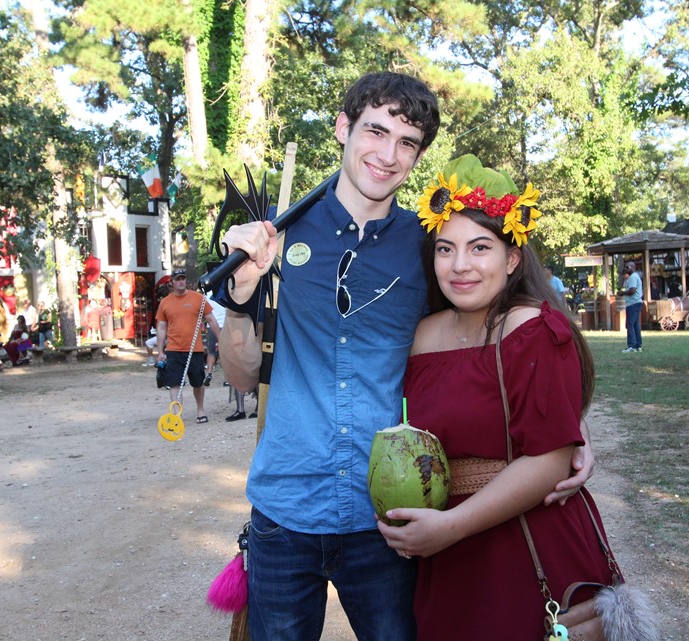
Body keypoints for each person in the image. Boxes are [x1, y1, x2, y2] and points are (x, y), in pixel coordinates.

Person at [216, 73, 594, 641]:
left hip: (390, 515)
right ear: (344, 128)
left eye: (407, 142)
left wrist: (568, 436)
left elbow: (488, 341)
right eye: (375, 131)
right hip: (285, 509)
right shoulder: (276, 237)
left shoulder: (429, 247)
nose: (388, 155)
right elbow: (243, 376)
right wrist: (242, 296)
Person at [377, 155, 623, 640]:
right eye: (445, 249)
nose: (460, 265)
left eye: (480, 247)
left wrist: (451, 527)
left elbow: (551, 459)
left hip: (526, 545)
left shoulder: (535, 329)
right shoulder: (422, 333)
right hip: (446, 557)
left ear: (512, 259)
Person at [155, 269, 221, 423]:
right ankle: (176, 415)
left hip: (195, 350)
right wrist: (160, 351)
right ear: (171, 282)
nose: (181, 281)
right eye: (178, 279)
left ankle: (200, 410)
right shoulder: (165, 302)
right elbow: (161, 327)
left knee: (198, 383)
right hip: (173, 350)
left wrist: (220, 340)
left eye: (183, 278)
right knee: (174, 383)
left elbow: (211, 320)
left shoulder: (198, 298)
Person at [618, 260, 643, 353]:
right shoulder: (635, 276)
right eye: (626, 267)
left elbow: (632, 290)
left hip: (633, 303)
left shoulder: (632, 277)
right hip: (637, 303)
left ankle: (631, 346)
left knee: (630, 324)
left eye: (627, 267)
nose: (626, 269)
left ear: (633, 267)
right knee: (636, 325)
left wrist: (622, 293)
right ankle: (638, 345)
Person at [203, 295, 227, 387]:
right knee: (225, 352)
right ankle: (227, 377)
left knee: (211, 351)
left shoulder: (207, 294)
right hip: (224, 324)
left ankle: (209, 373)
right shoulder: (224, 291)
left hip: (211, 324)